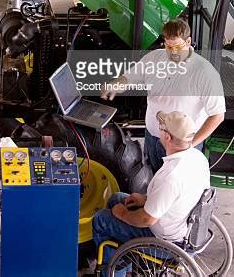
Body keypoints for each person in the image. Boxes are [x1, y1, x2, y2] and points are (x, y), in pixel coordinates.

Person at [92, 111, 210, 275]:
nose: (158, 129)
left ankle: (114, 270)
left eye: (161, 127)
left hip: (166, 242)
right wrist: (145, 200)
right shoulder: (198, 158)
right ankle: (124, 258)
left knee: (101, 219)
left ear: (167, 137)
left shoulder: (171, 175)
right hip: (184, 227)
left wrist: (123, 214)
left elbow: (147, 219)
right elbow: (178, 197)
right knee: (116, 199)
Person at [101, 18, 225, 173]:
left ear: (188, 42)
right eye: (168, 46)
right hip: (153, 137)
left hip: (182, 146)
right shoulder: (154, 58)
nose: (172, 52)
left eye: (177, 46)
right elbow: (131, 76)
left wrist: (190, 145)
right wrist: (116, 84)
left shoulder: (205, 72)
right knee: (150, 180)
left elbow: (218, 115)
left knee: (177, 189)